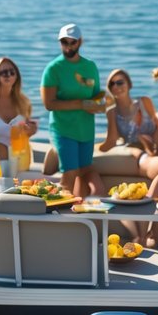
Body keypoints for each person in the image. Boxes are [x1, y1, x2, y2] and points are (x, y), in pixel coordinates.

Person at [99, 69, 158, 213]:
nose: (116, 86)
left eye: (120, 82)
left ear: (129, 84)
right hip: (139, 153)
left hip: (156, 149)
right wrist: (94, 148)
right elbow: (111, 141)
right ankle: (148, 214)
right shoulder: (112, 113)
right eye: (112, 84)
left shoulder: (144, 102)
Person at [41, 23, 106, 197]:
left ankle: (78, 215)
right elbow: (49, 104)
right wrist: (80, 104)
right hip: (63, 130)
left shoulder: (90, 66)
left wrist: (101, 105)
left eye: (72, 42)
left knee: (83, 173)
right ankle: (56, 216)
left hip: (85, 130)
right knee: (69, 174)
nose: (69, 46)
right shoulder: (53, 69)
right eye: (65, 42)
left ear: (80, 42)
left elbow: (96, 95)